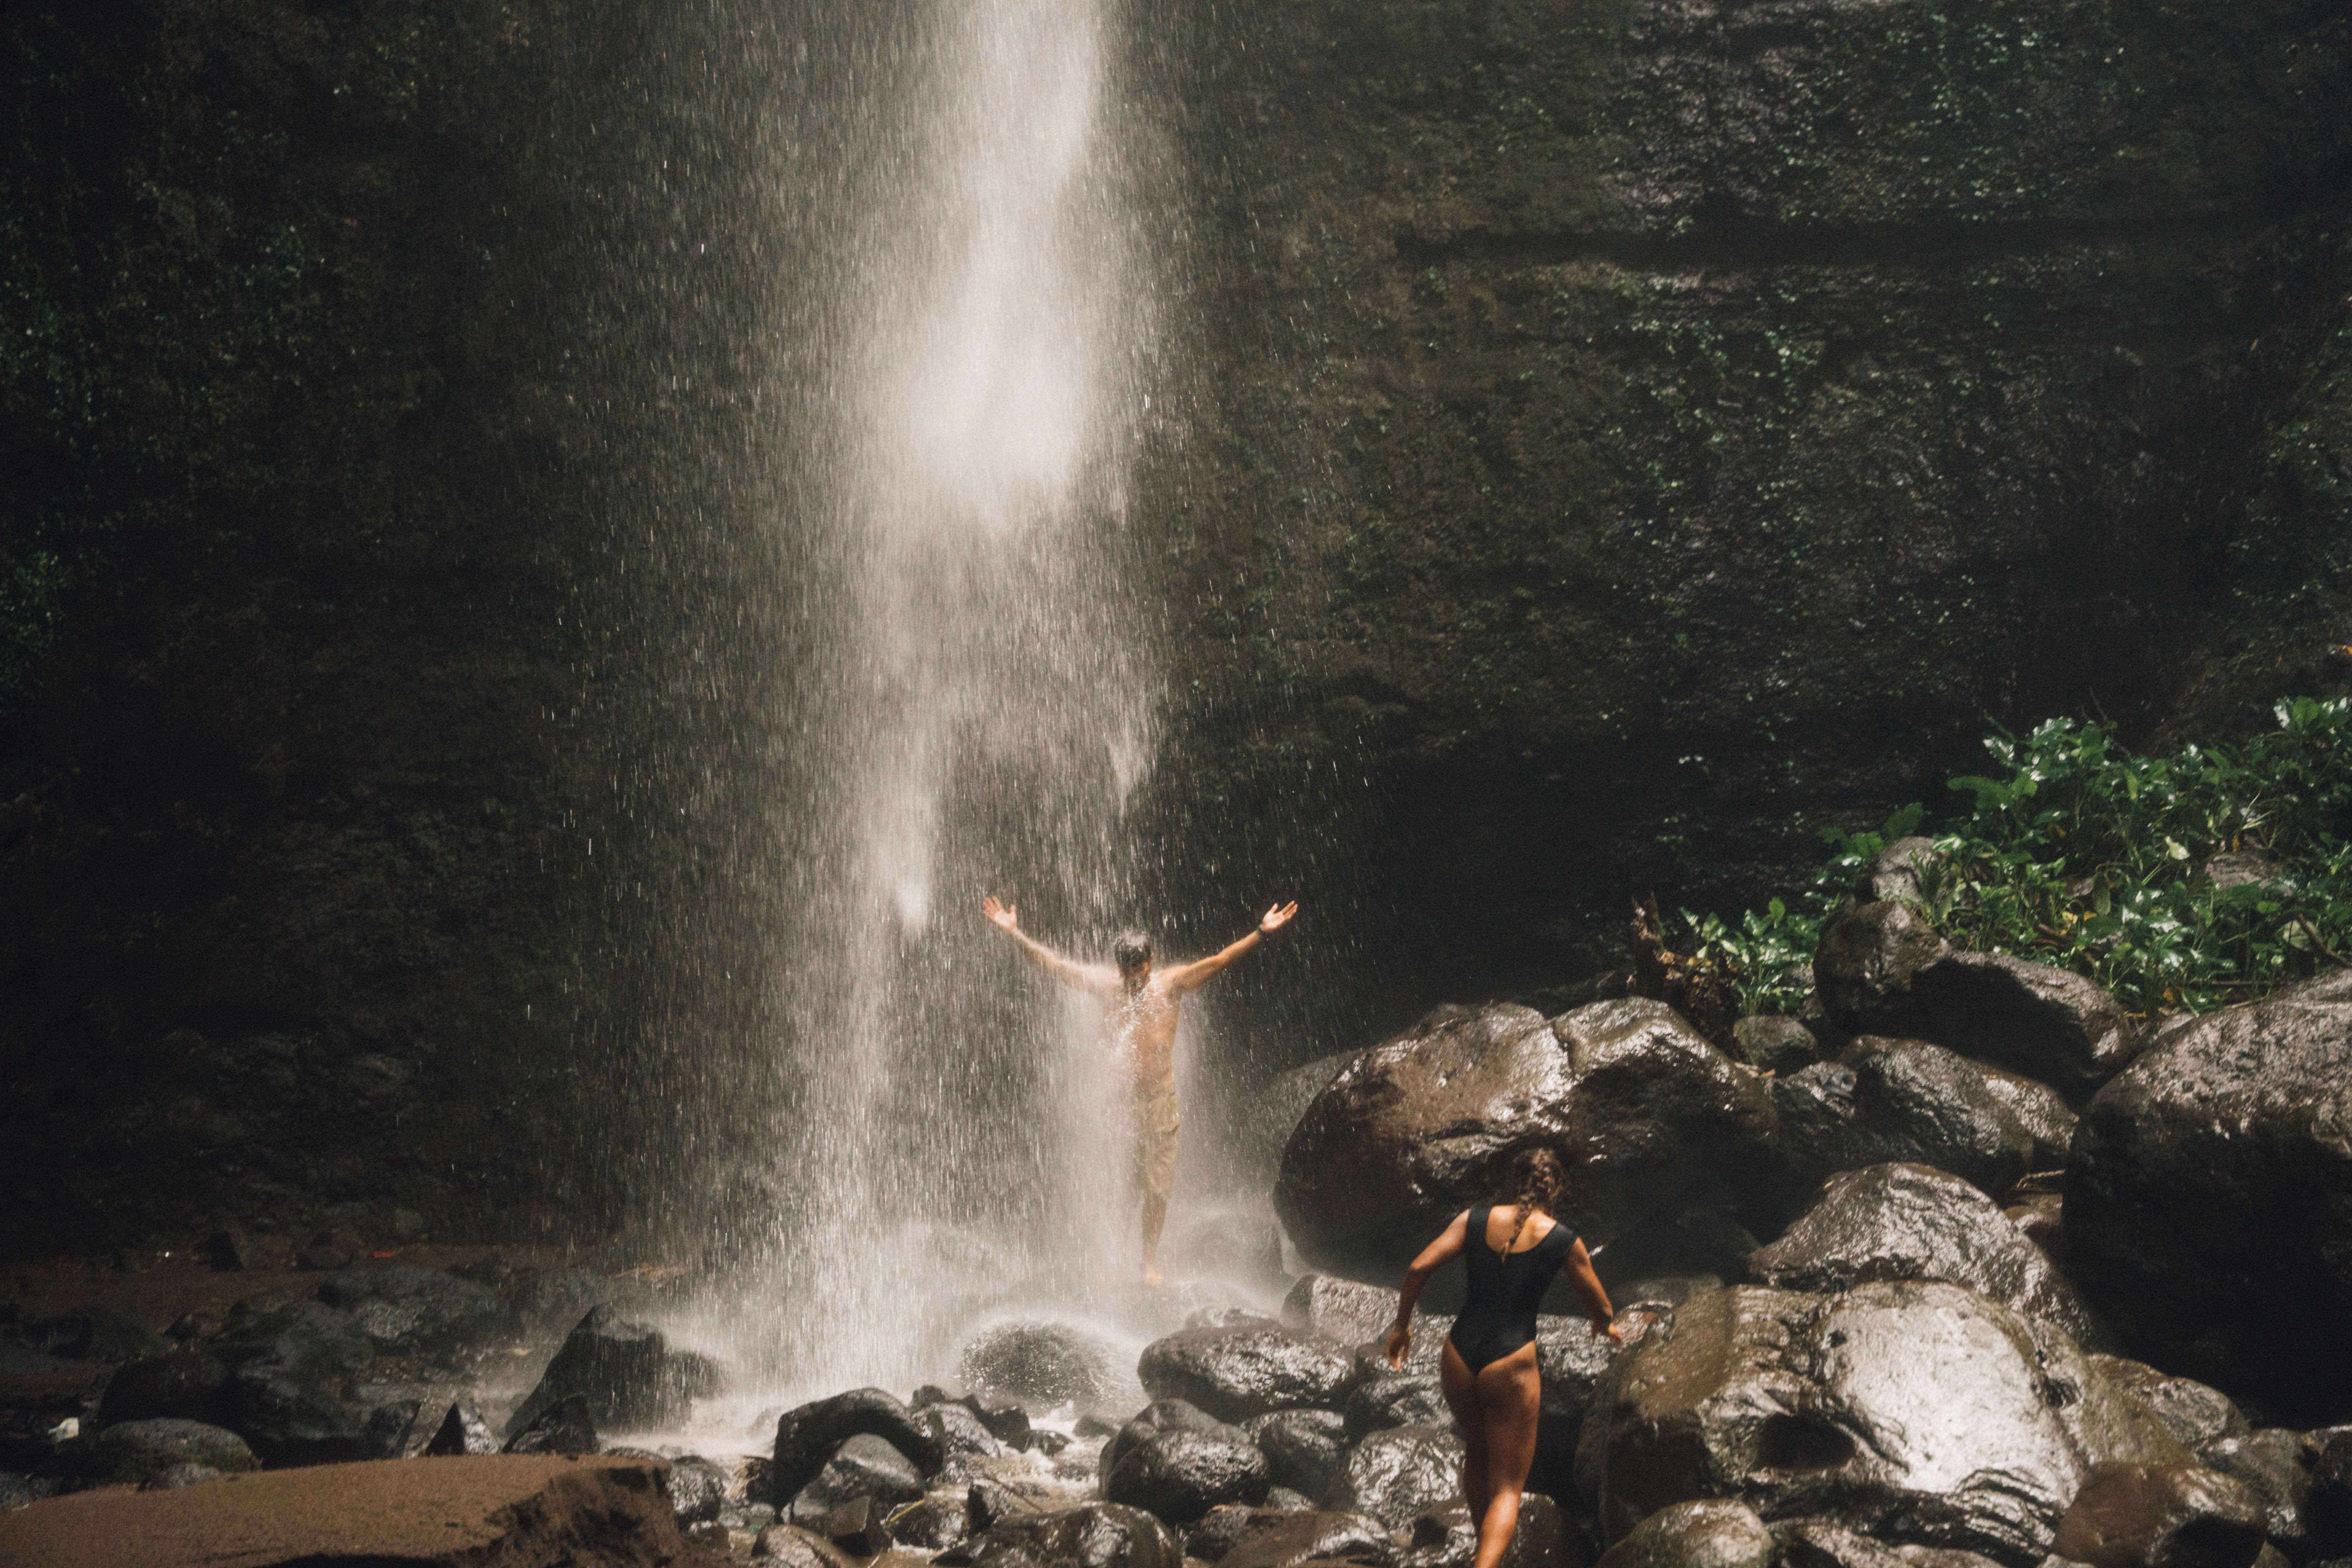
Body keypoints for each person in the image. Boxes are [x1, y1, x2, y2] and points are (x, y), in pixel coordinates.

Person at [982, 893, 1298, 1285]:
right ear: (1120, 967)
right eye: (1127, 972)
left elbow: (1219, 961)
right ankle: (1111, 1257)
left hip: (1160, 1101)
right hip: (1123, 1104)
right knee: (1123, 1184)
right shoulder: (1106, 986)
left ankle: (1148, 1262)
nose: (1134, 980)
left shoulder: (1171, 985)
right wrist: (1015, 935)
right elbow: (1054, 965)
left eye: (1140, 971)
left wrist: (1261, 933)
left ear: (1151, 961)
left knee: (1158, 1188)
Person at [1383, 1148, 1620, 1568]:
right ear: (1555, 1189)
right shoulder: (1564, 1240)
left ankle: (1483, 1551)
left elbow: (1418, 1268)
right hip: (1511, 1363)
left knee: (1478, 1449)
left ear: (1516, 1182)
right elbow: (1600, 1306)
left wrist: (1402, 1327)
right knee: (1509, 1488)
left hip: (1459, 1355)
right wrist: (1606, 1325)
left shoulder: (1473, 1220)